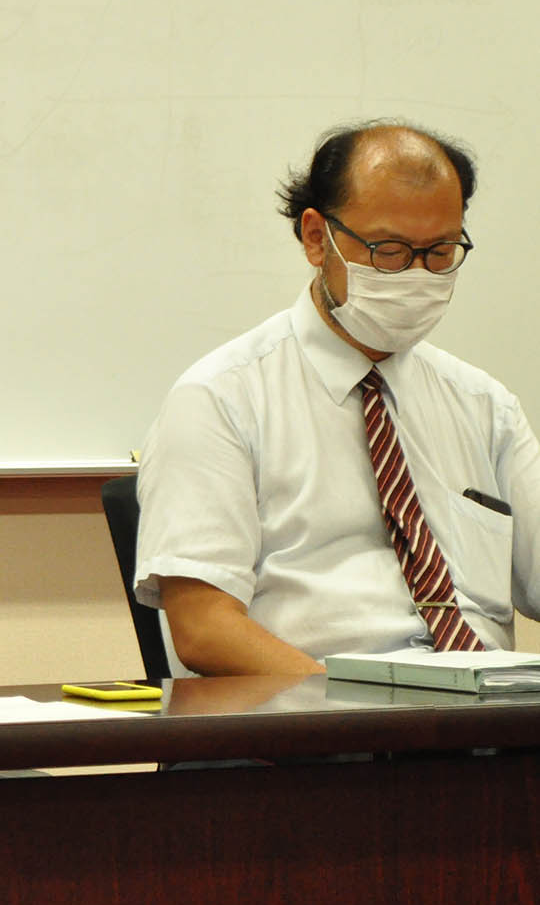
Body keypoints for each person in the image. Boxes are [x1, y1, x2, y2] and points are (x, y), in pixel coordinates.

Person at [134, 121, 540, 676]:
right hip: (311, 733)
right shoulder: (220, 399)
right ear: (316, 237)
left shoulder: (483, 406)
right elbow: (204, 630)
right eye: (389, 250)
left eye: (440, 251)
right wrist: (357, 702)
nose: (416, 275)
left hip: (486, 720)